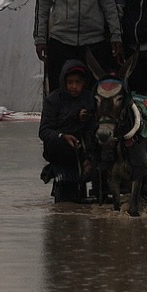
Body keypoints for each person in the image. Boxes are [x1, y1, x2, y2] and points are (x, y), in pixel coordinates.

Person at [39, 59, 98, 200]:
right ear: (64, 82)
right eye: (70, 82)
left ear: (84, 82)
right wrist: (62, 136)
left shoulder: (91, 99)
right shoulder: (53, 100)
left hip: (86, 147)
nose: (74, 86)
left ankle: (89, 165)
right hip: (62, 150)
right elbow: (44, 131)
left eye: (78, 82)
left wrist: (89, 117)